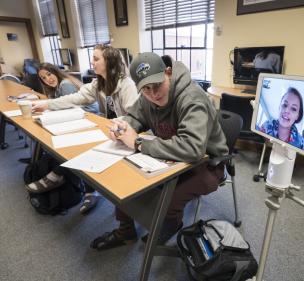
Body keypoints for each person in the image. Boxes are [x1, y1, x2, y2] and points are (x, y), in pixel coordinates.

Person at [90, 52, 229, 250]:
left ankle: (172, 224)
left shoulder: (192, 98)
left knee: (168, 199)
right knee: (126, 177)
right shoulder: (147, 96)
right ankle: (125, 230)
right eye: (146, 89)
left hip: (208, 163)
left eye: (158, 85)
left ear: (168, 73)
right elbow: (136, 117)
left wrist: (138, 143)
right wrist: (123, 126)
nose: (154, 94)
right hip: (172, 159)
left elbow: (192, 148)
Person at [29, 45, 138, 214]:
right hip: (109, 130)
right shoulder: (99, 82)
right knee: (74, 146)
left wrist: (114, 123)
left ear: (108, 61)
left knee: (85, 150)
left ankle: (63, 178)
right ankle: (86, 188)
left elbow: (135, 117)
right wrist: (47, 104)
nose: (92, 62)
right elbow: (76, 98)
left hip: (124, 134)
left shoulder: (126, 84)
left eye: (96, 59)